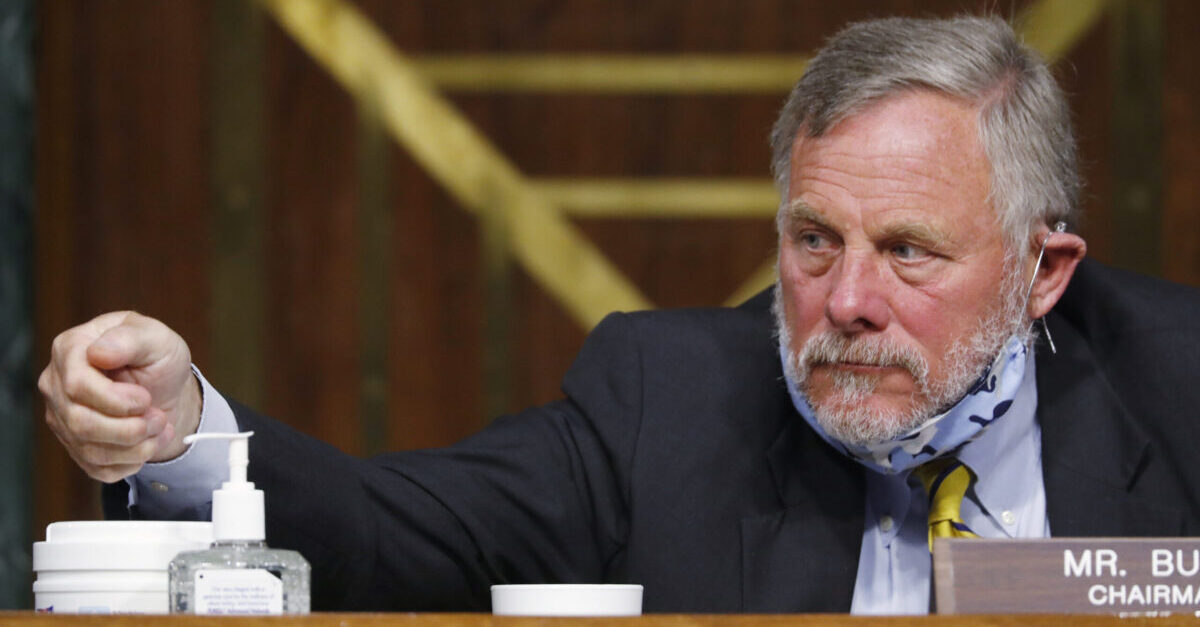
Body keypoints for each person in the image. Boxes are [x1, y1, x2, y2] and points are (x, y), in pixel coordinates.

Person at [39, 15, 1200, 614]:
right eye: (812, 241)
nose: (846, 303)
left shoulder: (1177, 384)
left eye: (908, 253)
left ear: (1043, 273)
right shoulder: (671, 399)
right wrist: (178, 428)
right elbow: (394, 530)